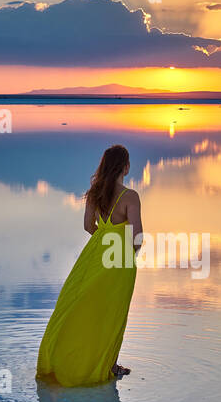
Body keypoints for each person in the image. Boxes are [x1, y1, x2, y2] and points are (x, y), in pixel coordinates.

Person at [36, 144, 143, 386]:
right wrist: (127, 255)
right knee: (113, 313)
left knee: (84, 306)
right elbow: (137, 235)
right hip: (120, 259)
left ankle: (68, 357)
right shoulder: (130, 197)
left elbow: (88, 226)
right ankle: (110, 365)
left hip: (93, 256)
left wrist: (104, 241)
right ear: (125, 167)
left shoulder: (94, 193)